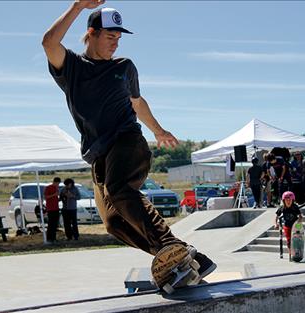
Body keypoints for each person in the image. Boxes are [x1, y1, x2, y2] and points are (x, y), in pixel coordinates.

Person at [43, 1, 216, 278]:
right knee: (114, 223)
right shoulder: (73, 67)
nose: (116, 44)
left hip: (127, 141)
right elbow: (49, 42)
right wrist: (77, 6)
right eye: (110, 37)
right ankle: (184, 255)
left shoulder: (125, 67)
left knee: (120, 189)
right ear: (91, 33)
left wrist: (158, 130)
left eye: (119, 39)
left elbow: (136, 102)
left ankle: (171, 246)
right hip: (98, 155)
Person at [274, 191, 303, 257]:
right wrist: (276, 224)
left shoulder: (295, 207)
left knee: (296, 239)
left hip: (295, 226)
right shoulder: (282, 208)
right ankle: (291, 253)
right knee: (289, 240)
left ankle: (297, 251)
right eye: (286, 200)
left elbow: (300, 217)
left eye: (290, 200)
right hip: (287, 226)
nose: (288, 201)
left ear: (292, 200)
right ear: (284, 201)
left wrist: (299, 223)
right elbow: (276, 216)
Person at [44, 177, 61, 243]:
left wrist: (59, 198)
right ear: (55, 182)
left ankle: (54, 238)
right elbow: (46, 197)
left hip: (56, 208)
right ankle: (49, 238)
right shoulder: (48, 187)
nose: (58, 185)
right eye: (58, 183)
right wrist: (54, 195)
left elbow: (55, 198)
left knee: (55, 225)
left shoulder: (57, 188)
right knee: (50, 224)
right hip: (50, 209)